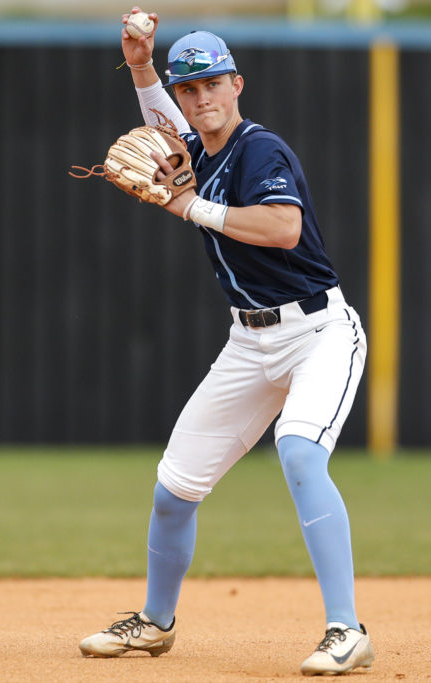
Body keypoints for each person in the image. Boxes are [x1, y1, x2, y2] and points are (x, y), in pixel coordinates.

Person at [77, 8, 374, 677]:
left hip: (318, 331)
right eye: (189, 88)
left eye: (212, 82)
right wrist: (141, 65)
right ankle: (155, 622)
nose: (201, 96)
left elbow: (282, 230)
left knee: (299, 452)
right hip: (249, 341)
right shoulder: (196, 147)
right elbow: (161, 119)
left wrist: (189, 207)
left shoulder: (261, 149)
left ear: (237, 84)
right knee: (173, 488)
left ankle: (346, 628)